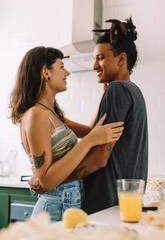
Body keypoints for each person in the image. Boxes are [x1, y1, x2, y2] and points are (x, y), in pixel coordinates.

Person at [29, 17, 148, 215]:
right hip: (122, 205)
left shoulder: (117, 90)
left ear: (121, 59)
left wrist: (49, 181)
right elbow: (94, 135)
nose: (94, 66)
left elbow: (98, 158)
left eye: (100, 58)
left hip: (103, 205)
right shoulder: (132, 91)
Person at [9, 46, 124, 221]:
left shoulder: (50, 113)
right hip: (55, 205)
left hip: (66, 201)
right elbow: (46, 180)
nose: (67, 72)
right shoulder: (36, 115)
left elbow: (88, 131)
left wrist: (105, 98)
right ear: (45, 73)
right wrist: (89, 142)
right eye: (61, 66)